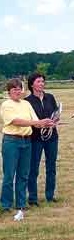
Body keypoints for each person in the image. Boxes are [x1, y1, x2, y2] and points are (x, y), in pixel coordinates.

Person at [0, 78, 54, 220]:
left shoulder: (26, 104)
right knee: (9, 175)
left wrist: (46, 123)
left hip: (27, 142)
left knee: (23, 175)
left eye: (19, 89)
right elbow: (16, 121)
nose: (17, 92)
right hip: (11, 141)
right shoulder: (6, 105)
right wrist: (36, 122)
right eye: (14, 89)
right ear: (9, 91)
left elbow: (35, 122)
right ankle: (5, 205)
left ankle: (21, 204)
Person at [25, 73, 60, 206]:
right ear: (32, 84)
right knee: (33, 168)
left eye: (43, 81)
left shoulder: (50, 97)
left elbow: (55, 113)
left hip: (52, 137)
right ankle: (33, 198)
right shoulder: (27, 101)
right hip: (35, 138)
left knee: (51, 167)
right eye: (39, 81)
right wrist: (40, 123)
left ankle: (50, 196)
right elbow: (29, 120)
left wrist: (55, 120)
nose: (42, 84)